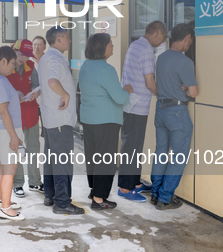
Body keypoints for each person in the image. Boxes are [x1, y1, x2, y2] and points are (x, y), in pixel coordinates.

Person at [79, 34, 133, 211]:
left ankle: (94, 189)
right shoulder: (106, 69)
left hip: (88, 118)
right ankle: (99, 199)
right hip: (106, 120)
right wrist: (127, 91)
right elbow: (119, 98)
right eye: (110, 44)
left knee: (93, 156)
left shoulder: (85, 65)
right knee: (105, 159)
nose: (113, 47)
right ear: (102, 48)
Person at [118, 20, 167, 202]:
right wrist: (162, 95)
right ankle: (125, 187)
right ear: (158, 33)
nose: (162, 42)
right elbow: (150, 82)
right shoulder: (146, 50)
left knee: (134, 146)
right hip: (137, 107)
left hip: (131, 104)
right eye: (162, 38)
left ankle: (134, 182)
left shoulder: (136, 44)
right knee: (131, 147)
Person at [151, 23, 198, 210]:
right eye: (191, 41)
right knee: (178, 157)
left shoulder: (160, 58)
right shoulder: (185, 62)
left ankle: (155, 193)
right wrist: (187, 89)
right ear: (187, 38)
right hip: (177, 112)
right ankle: (165, 198)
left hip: (160, 109)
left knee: (161, 152)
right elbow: (193, 93)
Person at [38, 26, 83, 215]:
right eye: (67, 37)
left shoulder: (46, 58)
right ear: (58, 40)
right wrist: (65, 94)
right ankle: (62, 203)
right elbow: (52, 81)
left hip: (51, 118)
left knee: (51, 159)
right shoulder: (55, 59)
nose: (69, 40)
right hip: (59, 119)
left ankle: (51, 195)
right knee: (62, 161)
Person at [0, 46, 25, 221]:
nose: (13, 67)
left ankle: (4, 200)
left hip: (3, 130)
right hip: (7, 131)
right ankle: (5, 208)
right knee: (10, 168)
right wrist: (14, 136)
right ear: (3, 61)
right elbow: (4, 111)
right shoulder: (0, 81)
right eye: (12, 63)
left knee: (3, 166)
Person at [7, 39, 42, 198]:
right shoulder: (6, 68)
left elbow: (37, 85)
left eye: (26, 55)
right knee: (17, 150)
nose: (23, 58)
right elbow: (0, 91)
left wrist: (36, 92)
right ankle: (18, 183)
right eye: (20, 54)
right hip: (14, 117)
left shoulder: (32, 66)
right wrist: (15, 96)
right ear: (14, 51)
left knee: (34, 148)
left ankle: (35, 181)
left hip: (31, 114)